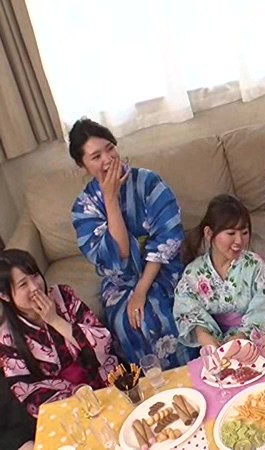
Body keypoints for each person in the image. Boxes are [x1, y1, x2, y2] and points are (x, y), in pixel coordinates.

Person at [69, 118, 193, 368]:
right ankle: (154, 385)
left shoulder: (149, 182)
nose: (108, 159)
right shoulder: (84, 207)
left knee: (167, 311)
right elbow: (120, 253)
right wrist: (110, 199)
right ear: (82, 165)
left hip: (163, 269)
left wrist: (141, 291)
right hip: (121, 281)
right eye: (96, 156)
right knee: (129, 322)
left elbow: (166, 239)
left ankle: (196, 373)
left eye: (110, 148)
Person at [0, 249, 118, 418]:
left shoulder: (63, 295)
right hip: (66, 406)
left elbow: (103, 342)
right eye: (23, 284)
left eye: (35, 276)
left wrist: (55, 320)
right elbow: (28, 393)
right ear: (4, 295)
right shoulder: (7, 338)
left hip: (104, 378)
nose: (35, 287)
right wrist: (75, 394)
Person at [174, 194, 265, 348]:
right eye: (231, 233)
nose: (239, 241)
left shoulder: (254, 265)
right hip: (218, 345)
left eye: (244, 233)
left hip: (258, 340)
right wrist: (202, 334)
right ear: (209, 233)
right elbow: (186, 309)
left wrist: (242, 336)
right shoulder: (194, 273)